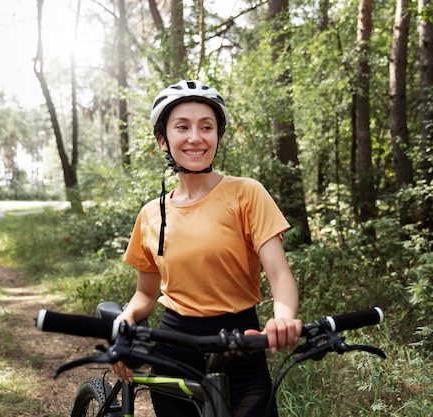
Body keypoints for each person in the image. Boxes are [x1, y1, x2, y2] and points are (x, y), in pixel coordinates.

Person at [112, 80, 302, 417]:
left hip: (242, 342)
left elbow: (279, 274)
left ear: (217, 136)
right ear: (163, 140)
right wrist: (125, 321)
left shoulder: (247, 194)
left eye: (206, 127)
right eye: (182, 127)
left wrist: (283, 318)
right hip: (174, 348)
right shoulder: (151, 214)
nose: (195, 137)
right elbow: (145, 295)